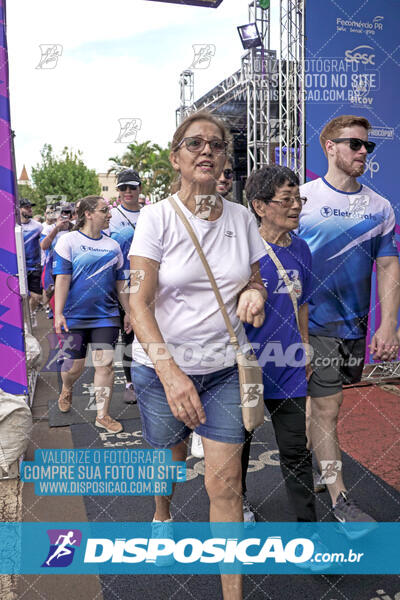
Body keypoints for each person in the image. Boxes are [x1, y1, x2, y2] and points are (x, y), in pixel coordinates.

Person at [129, 110, 266, 600]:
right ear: (176, 158)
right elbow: (137, 300)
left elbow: (254, 276)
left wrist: (255, 292)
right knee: (169, 457)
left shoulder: (243, 218)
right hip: (161, 370)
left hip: (225, 370)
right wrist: (171, 374)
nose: (206, 150)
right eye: (194, 144)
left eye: (216, 144)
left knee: (225, 486)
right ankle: (161, 513)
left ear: (226, 158)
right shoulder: (157, 217)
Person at [298, 115, 400, 525]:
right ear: (329, 147)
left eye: (367, 147)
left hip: (352, 327)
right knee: (328, 407)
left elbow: (389, 266)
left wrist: (388, 324)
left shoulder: (379, 206)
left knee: (320, 404)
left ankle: (316, 463)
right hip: (311, 326)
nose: (363, 153)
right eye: (354, 144)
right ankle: (341, 500)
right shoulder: (301, 200)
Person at [242, 164, 316, 526]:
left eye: (298, 198)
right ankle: (236, 505)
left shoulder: (302, 249)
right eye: (286, 199)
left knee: (296, 451)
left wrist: (304, 347)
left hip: (289, 369)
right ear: (259, 205)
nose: (296, 206)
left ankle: (311, 531)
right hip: (246, 370)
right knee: (239, 446)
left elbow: (301, 303)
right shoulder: (242, 251)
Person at [53, 195, 132, 434]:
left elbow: (121, 283)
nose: (109, 214)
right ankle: (67, 388)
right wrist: (58, 313)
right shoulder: (69, 241)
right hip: (74, 316)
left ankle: (102, 415)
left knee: (105, 365)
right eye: (104, 210)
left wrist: (127, 311)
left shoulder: (113, 246)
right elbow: (63, 279)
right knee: (74, 367)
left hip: (106, 316)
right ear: (88, 214)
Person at [109, 169, 142, 404]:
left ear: (140, 188)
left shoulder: (152, 214)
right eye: (123, 188)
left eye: (132, 187)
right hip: (121, 286)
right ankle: (130, 383)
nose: (128, 191)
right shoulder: (110, 216)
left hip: (151, 285)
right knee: (128, 336)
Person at [40, 204, 74, 316]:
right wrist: (57, 228)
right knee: (54, 297)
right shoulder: (49, 228)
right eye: (61, 212)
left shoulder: (74, 228)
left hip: (72, 267)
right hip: (52, 267)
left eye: (67, 212)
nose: (64, 215)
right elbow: (44, 246)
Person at [20, 198, 43, 320]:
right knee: (19, 296)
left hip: (34, 266)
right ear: (18, 209)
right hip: (17, 266)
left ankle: (30, 314)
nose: (30, 209)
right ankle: (22, 320)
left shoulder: (38, 226)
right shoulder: (12, 226)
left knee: (37, 297)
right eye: (26, 207)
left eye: (30, 207)